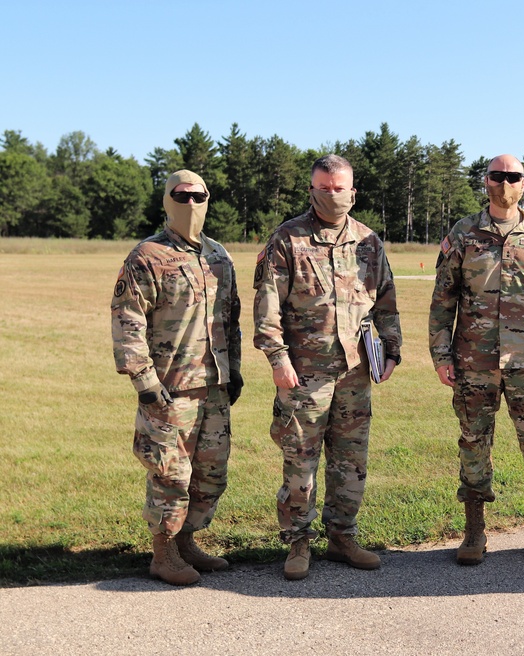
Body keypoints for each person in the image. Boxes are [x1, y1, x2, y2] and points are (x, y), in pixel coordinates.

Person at [253, 154, 401, 580]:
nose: (332, 194)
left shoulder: (369, 242)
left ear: (353, 192)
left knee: (350, 462)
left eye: (340, 188)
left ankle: (342, 537)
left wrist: (391, 351)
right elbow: (268, 309)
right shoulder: (288, 239)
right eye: (324, 187)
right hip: (304, 373)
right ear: (311, 189)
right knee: (300, 462)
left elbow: (385, 303)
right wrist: (278, 359)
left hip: (355, 372)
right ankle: (298, 542)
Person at [429, 154, 524, 567]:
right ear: (486, 181)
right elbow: (443, 301)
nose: (504, 183)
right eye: (497, 176)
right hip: (473, 361)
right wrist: (442, 355)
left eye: (512, 177)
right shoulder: (464, 233)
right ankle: (474, 533)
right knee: (474, 444)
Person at [111, 170, 242, 586]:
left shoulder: (218, 255)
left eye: (198, 196)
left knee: (211, 473)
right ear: (166, 200)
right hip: (169, 388)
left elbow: (231, 317)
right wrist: (144, 380)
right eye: (181, 196)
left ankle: (187, 541)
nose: (190, 204)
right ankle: (163, 552)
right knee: (170, 474)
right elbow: (127, 319)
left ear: (207, 200)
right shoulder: (146, 256)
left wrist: (233, 369)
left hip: (214, 385)